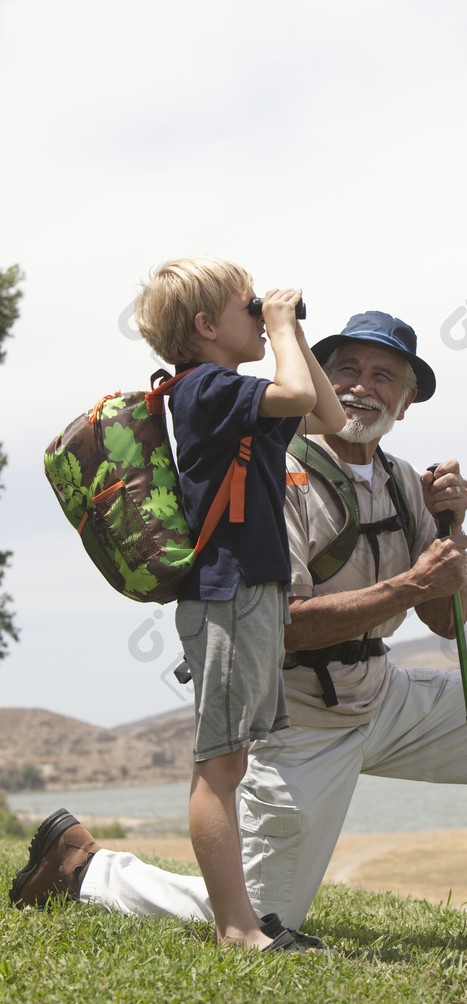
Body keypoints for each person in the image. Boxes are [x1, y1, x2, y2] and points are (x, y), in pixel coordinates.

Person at [11, 310, 467, 963]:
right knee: (260, 912)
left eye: (383, 376)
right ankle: (86, 871)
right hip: (300, 719)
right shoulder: (276, 471)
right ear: (321, 377)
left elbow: (447, 622)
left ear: (407, 400)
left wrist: (450, 530)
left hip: (383, 694)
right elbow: (283, 628)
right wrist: (410, 586)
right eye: (347, 369)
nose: (362, 386)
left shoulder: (404, 483)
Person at [83, 256, 343, 954]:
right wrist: (283, 327)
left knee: (234, 759)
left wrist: (294, 337)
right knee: (220, 766)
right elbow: (292, 396)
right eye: (247, 306)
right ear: (205, 326)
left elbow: (326, 414)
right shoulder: (204, 390)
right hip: (226, 596)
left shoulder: (237, 395)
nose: (261, 315)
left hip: (254, 595)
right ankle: (235, 927)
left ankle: (243, 917)